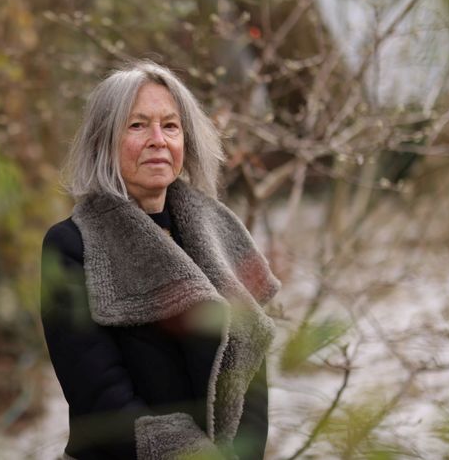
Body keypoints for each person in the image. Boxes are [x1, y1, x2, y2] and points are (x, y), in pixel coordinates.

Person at [40, 60, 281, 460]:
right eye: (137, 125)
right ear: (103, 141)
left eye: (170, 126)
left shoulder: (221, 234)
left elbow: (249, 362)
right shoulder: (72, 246)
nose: (157, 139)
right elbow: (100, 399)